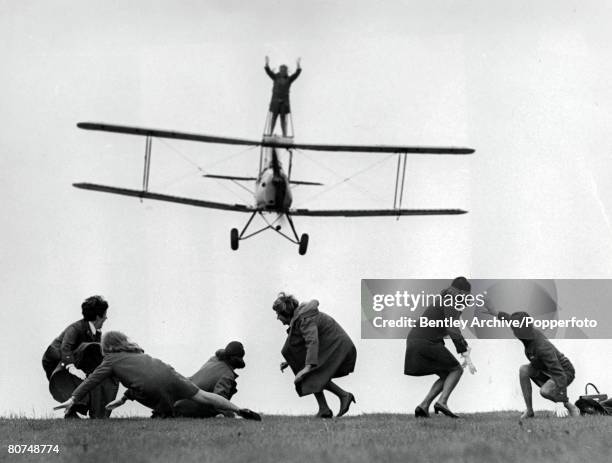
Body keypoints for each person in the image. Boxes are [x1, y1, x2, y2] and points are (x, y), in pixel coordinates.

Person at [53, 331, 261, 421]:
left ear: (108, 348)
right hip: (170, 372)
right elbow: (143, 374)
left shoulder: (110, 360)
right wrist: (123, 399)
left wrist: (73, 398)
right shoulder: (136, 352)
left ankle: (163, 413)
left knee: (160, 399)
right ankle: (239, 410)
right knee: (202, 396)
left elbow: (92, 380)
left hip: (157, 388)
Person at [273, 293, 357, 418]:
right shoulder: (300, 318)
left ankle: (342, 396)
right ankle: (325, 408)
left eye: (278, 314)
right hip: (330, 345)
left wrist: (307, 367)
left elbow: (312, 342)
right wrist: (290, 362)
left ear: (286, 313)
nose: (277, 318)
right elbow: (302, 345)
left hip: (337, 346)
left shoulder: (305, 319)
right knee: (310, 372)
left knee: (310, 372)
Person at [404, 277, 477, 419]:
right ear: (462, 292)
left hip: (417, 340)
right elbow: (452, 327)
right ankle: (442, 402)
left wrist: (464, 347)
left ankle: (423, 406)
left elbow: (451, 327)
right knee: (456, 370)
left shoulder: (445, 297)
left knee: (446, 374)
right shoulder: (451, 300)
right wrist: (463, 350)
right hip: (425, 341)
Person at [42, 295, 118, 418]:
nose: (106, 317)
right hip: (54, 360)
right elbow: (65, 348)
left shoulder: (96, 332)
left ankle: (72, 412)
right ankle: (71, 412)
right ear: (98, 316)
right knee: (68, 383)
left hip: (71, 359)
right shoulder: (75, 328)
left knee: (82, 381)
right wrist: (72, 368)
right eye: (105, 314)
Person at [495, 311, 580, 419]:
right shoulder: (525, 332)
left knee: (545, 391)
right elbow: (510, 320)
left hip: (564, 372)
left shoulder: (542, 347)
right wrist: (495, 313)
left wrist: (560, 401)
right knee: (524, 370)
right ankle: (529, 411)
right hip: (545, 369)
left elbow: (559, 373)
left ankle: (571, 406)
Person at [170, 341, 245, 418]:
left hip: (179, 400)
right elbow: (220, 399)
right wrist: (230, 414)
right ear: (237, 361)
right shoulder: (228, 375)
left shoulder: (213, 359)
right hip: (191, 407)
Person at [264, 56, 301, 137]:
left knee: (282, 119)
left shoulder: (288, 79)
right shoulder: (276, 77)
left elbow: (296, 74)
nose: (283, 71)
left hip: (283, 103)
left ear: (286, 71)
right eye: (282, 70)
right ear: (280, 70)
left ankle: (284, 134)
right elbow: (268, 72)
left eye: (284, 70)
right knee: (274, 118)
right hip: (276, 102)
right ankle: (271, 133)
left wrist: (298, 66)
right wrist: (266, 64)